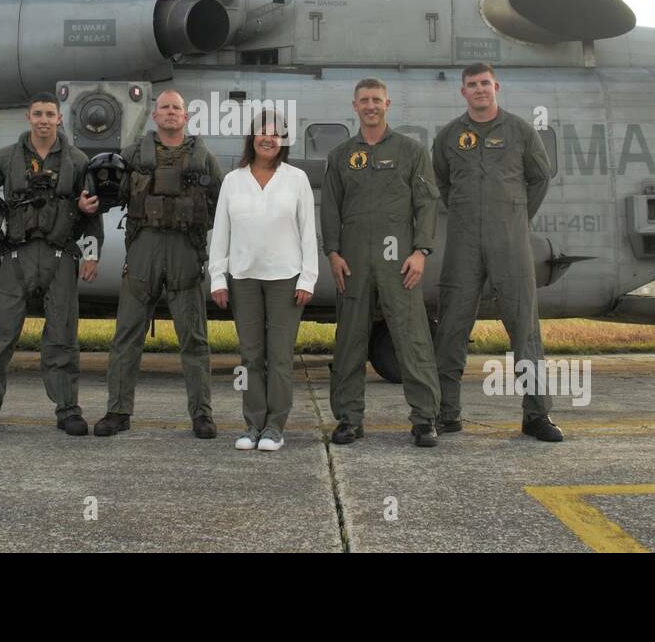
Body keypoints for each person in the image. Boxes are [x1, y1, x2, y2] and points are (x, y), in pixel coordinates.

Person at [0, 92, 102, 437]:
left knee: (62, 336)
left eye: (50, 114)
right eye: (38, 114)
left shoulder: (76, 161)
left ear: (59, 119)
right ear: (28, 118)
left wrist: (92, 254)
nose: (44, 120)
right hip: (16, 257)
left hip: (61, 257)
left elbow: (92, 212)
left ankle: (68, 410)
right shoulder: (6, 158)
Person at [432, 63, 562, 442]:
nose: (479, 90)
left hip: (511, 242)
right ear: (463, 92)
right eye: (472, 85)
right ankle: (447, 413)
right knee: (452, 327)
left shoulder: (520, 130)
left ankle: (536, 415)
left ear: (496, 87)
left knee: (525, 328)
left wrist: (516, 217)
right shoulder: (449, 137)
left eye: (485, 84)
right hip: (463, 242)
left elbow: (540, 176)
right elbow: (442, 181)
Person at [95, 89, 224, 439]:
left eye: (176, 109)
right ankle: (118, 411)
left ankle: (201, 415)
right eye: (164, 108)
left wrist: (201, 222)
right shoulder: (135, 154)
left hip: (186, 249)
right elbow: (108, 191)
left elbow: (224, 200)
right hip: (144, 248)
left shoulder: (202, 156)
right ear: (155, 116)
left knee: (194, 337)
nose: (170, 113)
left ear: (186, 117)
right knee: (126, 335)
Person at [321, 78, 442, 448]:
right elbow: (330, 207)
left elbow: (426, 203)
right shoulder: (341, 156)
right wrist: (333, 253)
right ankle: (348, 418)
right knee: (349, 340)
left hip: (399, 263)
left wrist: (421, 252)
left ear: (387, 103)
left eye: (376, 99)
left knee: (412, 338)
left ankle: (424, 419)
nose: (370, 105)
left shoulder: (411, 151)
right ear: (354, 106)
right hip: (353, 262)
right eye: (364, 100)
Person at [209, 110, 318, 452]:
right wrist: (218, 278)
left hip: (286, 278)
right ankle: (252, 425)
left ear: (283, 141)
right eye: (261, 132)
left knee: (280, 356)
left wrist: (308, 278)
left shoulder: (296, 179)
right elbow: (221, 233)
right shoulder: (233, 180)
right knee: (251, 356)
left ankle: (274, 428)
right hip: (243, 279)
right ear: (251, 138)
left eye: (275, 134)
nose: (268, 138)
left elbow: (307, 232)